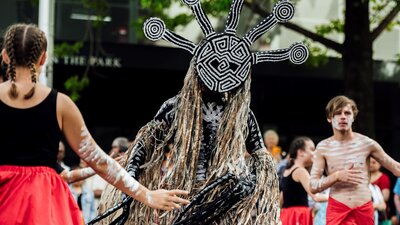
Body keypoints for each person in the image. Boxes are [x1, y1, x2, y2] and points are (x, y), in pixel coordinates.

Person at [94, 0, 308, 224]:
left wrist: (247, 182)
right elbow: (145, 144)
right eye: (215, 63)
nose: (223, 70)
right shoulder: (177, 107)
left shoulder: (241, 116)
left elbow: (261, 158)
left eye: (233, 66)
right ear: (200, 64)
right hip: (181, 198)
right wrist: (131, 189)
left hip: (221, 202)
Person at [0, 23, 189, 225]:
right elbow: (98, 161)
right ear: (43, 58)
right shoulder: (60, 104)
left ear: (5, 56)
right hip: (43, 203)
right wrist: (148, 195)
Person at [309, 95, 400, 225]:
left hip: (364, 208)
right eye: (337, 113)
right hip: (338, 208)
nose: (343, 117)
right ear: (329, 118)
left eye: (347, 113)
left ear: (353, 117)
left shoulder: (367, 143)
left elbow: (396, 168)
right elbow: (313, 186)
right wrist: (337, 176)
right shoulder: (323, 147)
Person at [280, 136, 327, 225]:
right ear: (300, 152)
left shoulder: (286, 171)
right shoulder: (300, 171)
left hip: (286, 215)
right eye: (312, 149)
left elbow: (281, 199)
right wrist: (334, 197)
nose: (314, 153)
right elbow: (316, 196)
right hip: (299, 215)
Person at [370, 157, 392, 224]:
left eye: (374, 162)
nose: (371, 164)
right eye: (369, 162)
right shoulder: (364, 178)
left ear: (380, 164)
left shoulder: (383, 178)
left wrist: (376, 203)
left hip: (379, 212)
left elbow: (385, 197)